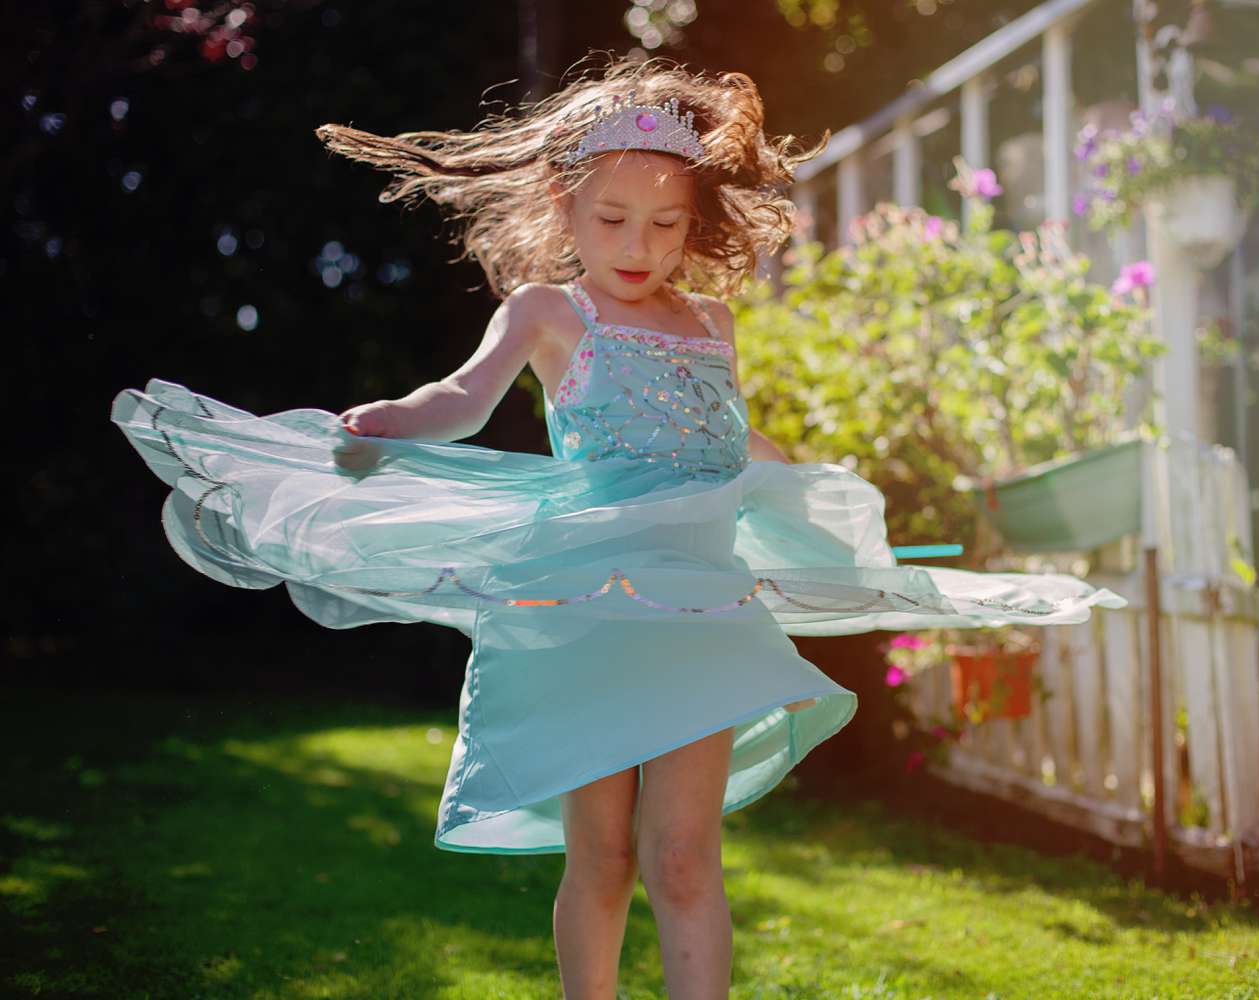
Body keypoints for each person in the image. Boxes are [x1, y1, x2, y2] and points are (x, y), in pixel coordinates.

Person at [110, 57, 1123, 999]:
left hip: (699, 605)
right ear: (566, 208)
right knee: (601, 853)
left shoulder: (713, 326)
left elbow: (726, 440)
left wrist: (813, 489)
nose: (638, 247)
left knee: (683, 851)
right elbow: (461, 400)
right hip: (587, 605)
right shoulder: (549, 311)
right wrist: (391, 423)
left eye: (666, 226)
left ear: (696, 225)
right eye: (614, 219)